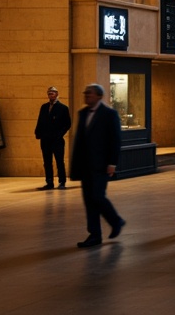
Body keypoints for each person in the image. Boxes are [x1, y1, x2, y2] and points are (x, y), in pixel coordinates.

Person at [71, 83, 125, 248]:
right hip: (85, 165)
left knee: (97, 196)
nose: (86, 96)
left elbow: (115, 140)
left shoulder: (109, 114)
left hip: (101, 165)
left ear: (99, 96)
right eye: (85, 93)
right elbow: (79, 141)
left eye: (90, 94)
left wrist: (112, 163)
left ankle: (116, 221)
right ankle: (94, 235)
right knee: (89, 200)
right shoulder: (82, 113)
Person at [33, 86, 72, 191]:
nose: (51, 95)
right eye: (49, 93)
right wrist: (37, 132)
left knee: (59, 161)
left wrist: (60, 134)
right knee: (47, 161)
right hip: (45, 139)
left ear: (57, 94)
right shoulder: (44, 107)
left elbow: (67, 124)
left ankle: (62, 182)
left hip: (57, 139)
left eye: (53, 93)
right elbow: (40, 120)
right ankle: (49, 182)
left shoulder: (63, 108)